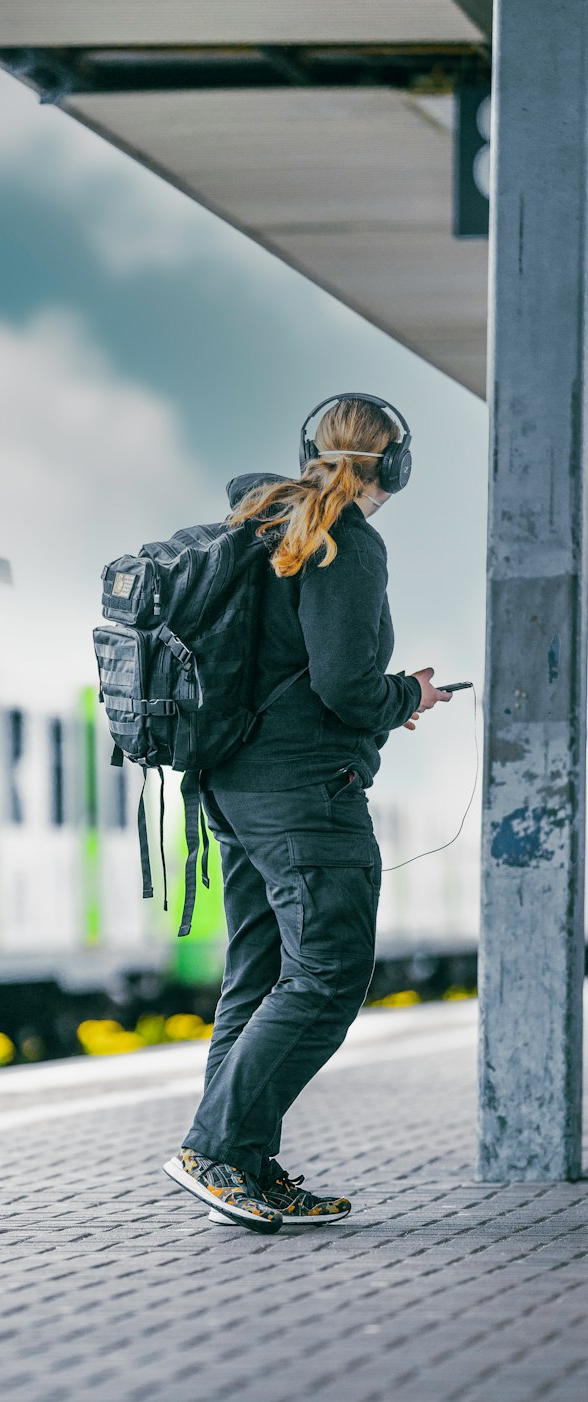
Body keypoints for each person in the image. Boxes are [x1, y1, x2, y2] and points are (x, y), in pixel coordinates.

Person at [163, 393, 451, 1234]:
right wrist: (412, 694)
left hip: (232, 782)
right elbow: (346, 687)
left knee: (257, 978)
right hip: (305, 794)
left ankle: (239, 1164)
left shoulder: (258, 522)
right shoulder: (345, 542)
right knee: (327, 974)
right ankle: (215, 1150)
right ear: (392, 466)